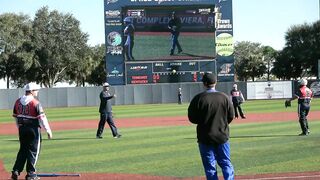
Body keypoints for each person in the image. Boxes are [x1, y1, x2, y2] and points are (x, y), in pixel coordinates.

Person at [188, 73, 235, 180]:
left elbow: (192, 118)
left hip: (205, 137)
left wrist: (204, 121)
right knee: (226, 162)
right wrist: (221, 123)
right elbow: (231, 116)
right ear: (215, 82)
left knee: (210, 166)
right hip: (222, 136)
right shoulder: (224, 97)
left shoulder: (198, 98)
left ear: (204, 83)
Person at [11, 83, 52, 180]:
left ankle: (16, 171)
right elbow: (42, 118)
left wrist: (19, 127)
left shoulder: (17, 102)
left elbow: (16, 117)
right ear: (32, 91)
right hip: (33, 130)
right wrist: (48, 130)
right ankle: (31, 174)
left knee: (23, 150)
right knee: (33, 151)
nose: (37, 92)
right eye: (36, 90)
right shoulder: (35, 103)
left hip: (22, 129)